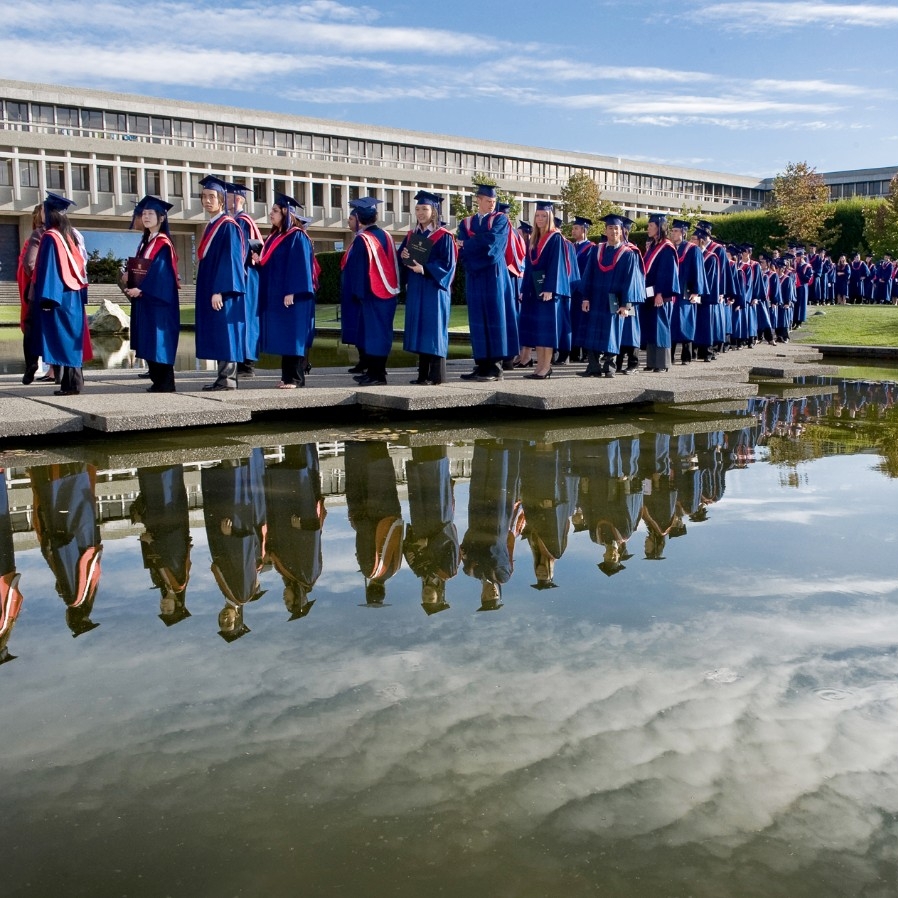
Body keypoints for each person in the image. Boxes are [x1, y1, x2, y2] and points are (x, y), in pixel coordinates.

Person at [456, 184, 517, 382]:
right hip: (474, 274)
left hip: (494, 274)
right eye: (488, 201)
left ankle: (495, 367)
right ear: (478, 200)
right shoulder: (466, 223)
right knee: (477, 318)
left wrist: (469, 243)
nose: (492, 205)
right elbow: (461, 246)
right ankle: (481, 364)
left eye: (493, 201)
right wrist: (471, 247)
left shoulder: (500, 219)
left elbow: (493, 244)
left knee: (495, 316)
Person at [31, 192, 89, 396]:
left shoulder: (50, 237)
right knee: (71, 339)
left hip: (58, 296)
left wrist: (47, 298)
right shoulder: (68, 236)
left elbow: (50, 269)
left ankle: (71, 386)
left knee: (63, 340)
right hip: (72, 294)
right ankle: (73, 383)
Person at [257, 193, 316, 388]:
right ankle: (287, 376)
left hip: (294, 296)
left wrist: (293, 291)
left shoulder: (297, 236)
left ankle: (297, 379)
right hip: (280, 295)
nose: (271, 214)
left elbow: (300, 266)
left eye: (275, 211)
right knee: (285, 335)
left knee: (294, 336)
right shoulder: (276, 237)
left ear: (286, 213)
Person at [340, 196, 400, 386]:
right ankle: (375, 372)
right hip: (387, 294)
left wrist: (357, 294)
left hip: (371, 294)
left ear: (358, 218)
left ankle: (377, 376)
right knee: (380, 334)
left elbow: (359, 271)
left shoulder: (363, 239)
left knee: (373, 335)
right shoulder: (386, 235)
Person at [399, 190, 457, 385]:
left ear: (434, 211)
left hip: (434, 288)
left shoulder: (444, 236)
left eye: (424, 208)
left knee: (434, 328)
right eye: (417, 209)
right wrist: (404, 256)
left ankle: (437, 376)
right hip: (416, 287)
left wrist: (425, 269)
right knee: (421, 329)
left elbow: (448, 265)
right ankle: (422, 375)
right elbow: (401, 259)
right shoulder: (412, 235)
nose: (420, 213)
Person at [195, 174, 247, 392]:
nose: (207, 200)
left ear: (222, 200)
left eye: (212, 197)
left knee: (226, 333)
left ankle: (228, 381)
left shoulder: (228, 226)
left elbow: (231, 260)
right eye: (204, 196)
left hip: (223, 291)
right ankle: (221, 379)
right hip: (212, 288)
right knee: (218, 333)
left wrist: (220, 290)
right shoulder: (212, 225)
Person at [123, 196, 180, 392]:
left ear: (161, 217)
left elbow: (161, 273)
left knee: (159, 341)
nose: (146, 217)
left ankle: (165, 383)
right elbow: (142, 270)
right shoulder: (146, 241)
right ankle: (158, 381)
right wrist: (128, 277)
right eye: (144, 213)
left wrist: (142, 289)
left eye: (150, 213)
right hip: (146, 300)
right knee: (148, 339)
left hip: (159, 301)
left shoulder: (163, 244)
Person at [577, 214, 645, 378]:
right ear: (605, 230)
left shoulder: (628, 254)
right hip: (596, 297)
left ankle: (609, 367)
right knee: (593, 331)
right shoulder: (596, 250)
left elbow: (630, 280)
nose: (613, 231)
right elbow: (588, 274)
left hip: (614, 300)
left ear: (621, 231)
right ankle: (593, 367)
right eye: (610, 228)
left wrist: (625, 304)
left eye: (616, 228)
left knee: (612, 332)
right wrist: (585, 297)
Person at [263, 443, 325, 621]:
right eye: (290, 602)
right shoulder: (308, 575)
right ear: (300, 599)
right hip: (297, 514)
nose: (285, 599)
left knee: (289, 469)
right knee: (299, 467)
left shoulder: (289, 577)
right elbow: (312, 545)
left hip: (283, 518)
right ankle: (302, 440)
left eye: (286, 602)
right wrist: (302, 528)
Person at [132, 464, 192, 626]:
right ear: (178, 604)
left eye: (162, 610)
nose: (164, 607)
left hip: (157, 525)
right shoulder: (179, 582)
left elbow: (154, 558)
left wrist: (144, 522)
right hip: (171, 522)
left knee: (152, 491)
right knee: (166, 490)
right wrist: (152, 542)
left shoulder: (161, 582)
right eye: (169, 609)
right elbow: (174, 550)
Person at [344, 441, 404, 606]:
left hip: (390, 511)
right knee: (361, 472)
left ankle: (378, 441)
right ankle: (359, 440)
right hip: (371, 514)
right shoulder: (368, 571)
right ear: (368, 589)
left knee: (381, 472)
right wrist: (357, 522)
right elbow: (364, 537)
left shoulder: (394, 569)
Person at [403, 445, 459, 614]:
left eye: (424, 598)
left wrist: (412, 543)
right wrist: (427, 542)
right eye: (430, 599)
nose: (426, 595)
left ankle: (418, 446)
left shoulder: (418, 570)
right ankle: (437, 443)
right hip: (439, 517)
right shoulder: (448, 571)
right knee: (436, 476)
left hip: (420, 517)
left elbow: (406, 547)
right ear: (439, 595)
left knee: (419, 477)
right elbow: (451, 540)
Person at [518, 201, 571, 379]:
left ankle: (546, 367)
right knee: (537, 329)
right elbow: (529, 267)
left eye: (543, 216)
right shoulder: (535, 238)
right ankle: (539, 366)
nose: (540, 219)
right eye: (537, 216)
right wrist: (524, 289)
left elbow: (556, 264)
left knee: (546, 330)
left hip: (547, 292)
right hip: (534, 290)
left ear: (549, 218)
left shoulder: (555, 238)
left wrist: (550, 288)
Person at [226, 182, 263, 379]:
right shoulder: (233, 220)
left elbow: (255, 252)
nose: (225, 200)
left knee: (247, 318)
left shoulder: (244, 221)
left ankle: (247, 365)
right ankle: (240, 361)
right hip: (239, 277)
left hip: (247, 277)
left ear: (238, 199)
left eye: (229, 196)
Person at [17, 204, 52, 385]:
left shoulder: (38, 234)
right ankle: (58, 371)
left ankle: (31, 362)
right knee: (55, 329)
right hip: (61, 291)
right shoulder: (69, 235)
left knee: (31, 327)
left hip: (38, 289)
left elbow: (28, 264)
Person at [640, 213, 680, 372]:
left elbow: (667, 272)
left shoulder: (667, 247)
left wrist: (660, 293)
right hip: (649, 293)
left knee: (661, 327)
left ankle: (662, 364)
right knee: (650, 326)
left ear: (659, 227)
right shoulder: (653, 246)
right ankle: (651, 362)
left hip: (660, 295)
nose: (648, 228)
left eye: (650, 225)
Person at [669, 218, 706, 364]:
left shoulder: (692, 249)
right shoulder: (670, 248)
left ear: (684, 232)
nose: (673, 233)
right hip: (673, 291)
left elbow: (698, 271)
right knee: (672, 323)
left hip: (686, 291)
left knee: (686, 323)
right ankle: (669, 356)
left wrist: (696, 291)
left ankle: (686, 356)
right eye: (672, 231)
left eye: (676, 231)